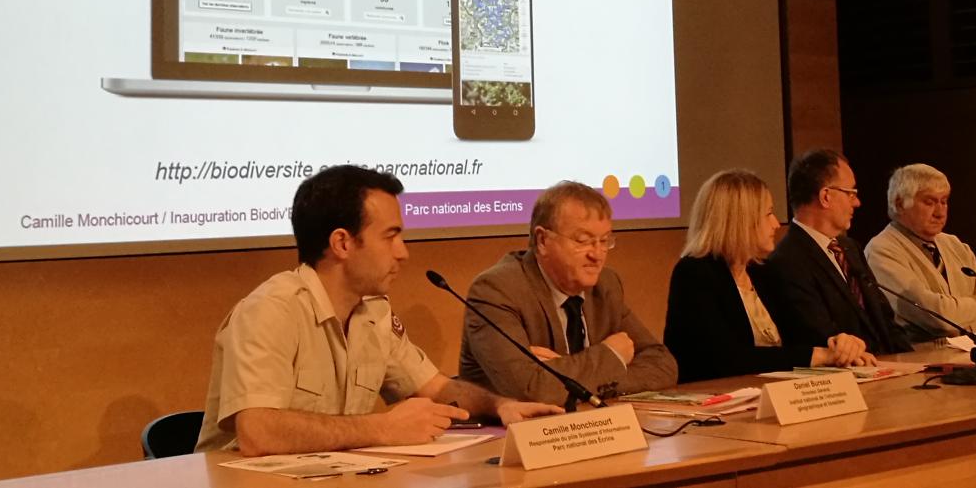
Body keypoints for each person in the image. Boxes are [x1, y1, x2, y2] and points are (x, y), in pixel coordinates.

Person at [196, 165, 562, 455]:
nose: (403, 252)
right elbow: (258, 433)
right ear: (342, 242)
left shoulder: (374, 313)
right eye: (391, 236)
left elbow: (435, 389)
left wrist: (500, 406)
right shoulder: (271, 310)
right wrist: (383, 428)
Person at [458, 181, 677, 405]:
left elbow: (663, 365)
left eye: (604, 241)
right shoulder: (496, 290)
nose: (598, 254)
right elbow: (532, 390)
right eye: (583, 241)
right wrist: (611, 356)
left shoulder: (606, 285)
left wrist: (578, 380)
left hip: (583, 426)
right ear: (543, 240)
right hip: (507, 435)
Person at [664, 169, 874, 383]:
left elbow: (800, 334)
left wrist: (840, 347)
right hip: (716, 400)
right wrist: (818, 355)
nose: (776, 223)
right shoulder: (694, 274)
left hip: (771, 394)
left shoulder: (762, 272)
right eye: (768, 214)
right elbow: (723, 359)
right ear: (740, 220)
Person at [760, 149, 912, 355]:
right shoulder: (787, 262)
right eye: (851, 193)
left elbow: (884, 320)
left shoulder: (850, 248)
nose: (857, 202)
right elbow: (822, 336)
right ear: (826, 196)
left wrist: (909, 360)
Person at [865, 163, 976, 338]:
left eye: (943, 201)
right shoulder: (881, 250)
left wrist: (963, 334)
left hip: (968, 355)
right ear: (900, 204)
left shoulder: (954, 244)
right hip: (920, 360)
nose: (940, 212)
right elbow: (938, 317)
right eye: (929, 202)